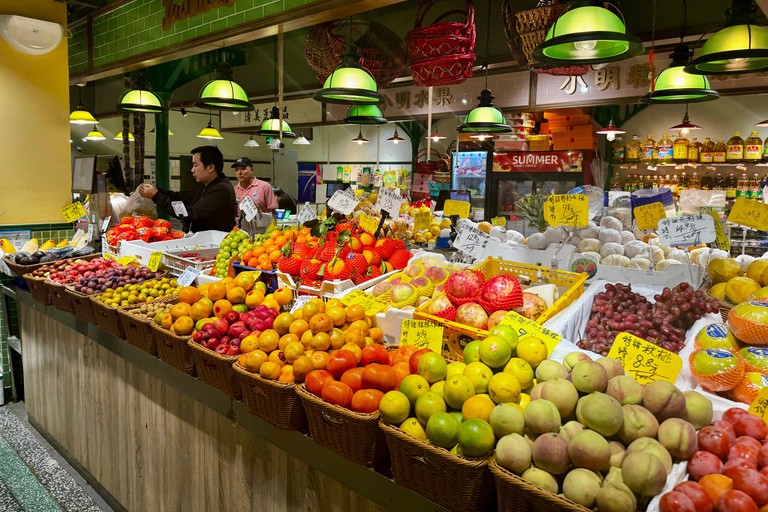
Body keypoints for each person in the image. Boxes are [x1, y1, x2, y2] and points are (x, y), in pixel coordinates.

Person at [138, 145, 237, 233]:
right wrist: (157, 191)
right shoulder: (207, 185)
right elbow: (182, 196)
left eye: (195, 165)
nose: (192, 170)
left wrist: (156, 196)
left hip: (215, 245)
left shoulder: (221, 189)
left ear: (210, 167)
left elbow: (191, 214)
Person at [232, 157, 277, 233]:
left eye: (243, 169)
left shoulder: (264, 186)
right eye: (237, 169)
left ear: (251, 170)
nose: (239, 172)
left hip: (261, 231)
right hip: (240, 232)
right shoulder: (233, 190)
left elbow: (272, 211)